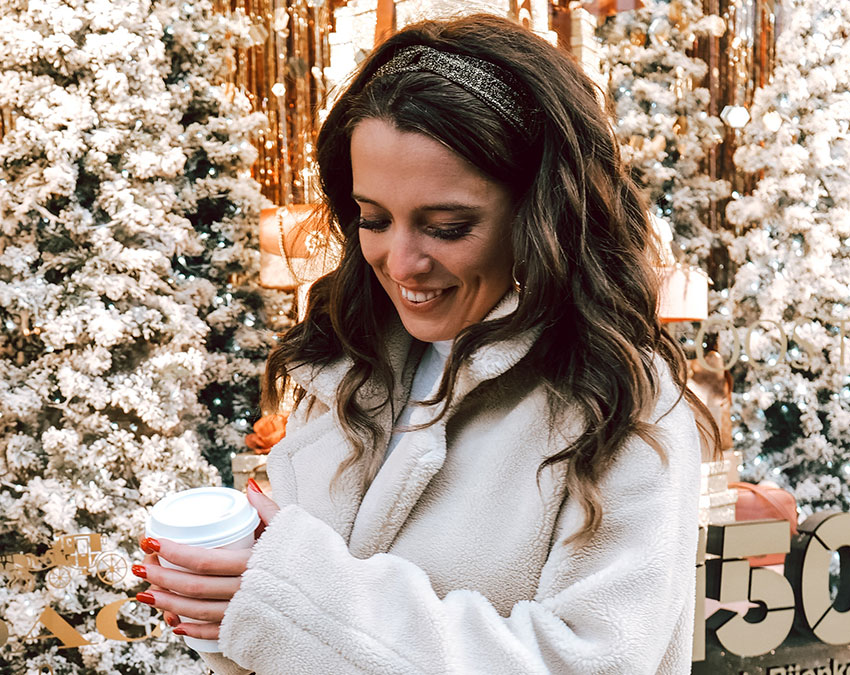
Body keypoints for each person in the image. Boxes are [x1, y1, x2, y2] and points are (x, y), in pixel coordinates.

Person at [134, 13, 718, 674]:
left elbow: (591, 663)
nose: (401, 262)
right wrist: (225, 608)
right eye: (373, 219)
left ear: (539, 215)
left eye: (445, 225)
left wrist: (292, 595)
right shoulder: (347, 364)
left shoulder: (622, 403)